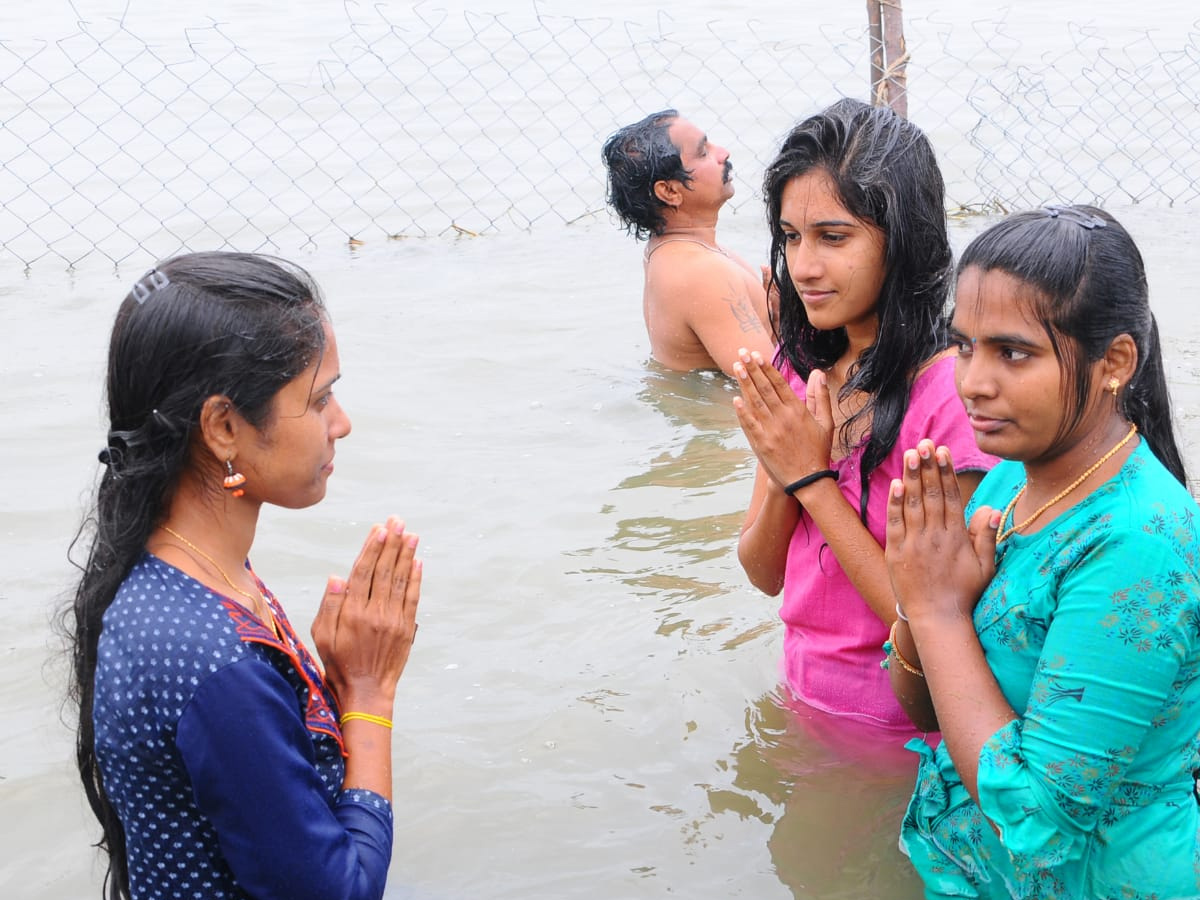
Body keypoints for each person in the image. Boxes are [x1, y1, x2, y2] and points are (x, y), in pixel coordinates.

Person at [65, 252, 422, 900]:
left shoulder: (165, 570)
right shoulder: (218, 663)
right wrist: (369, 698)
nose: (341, 423)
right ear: (224, 426)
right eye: (318, 400)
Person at [884, 205, 1200, 898]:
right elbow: (927, 711)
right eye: (963, 345)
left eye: (1013, 352)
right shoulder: (1007, 482)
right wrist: (919, 595)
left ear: (1114, 362)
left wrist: (938, 612)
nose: (972, 381)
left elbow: (1042, 828)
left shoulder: (1139, 543)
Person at [732, 98, 996, 743]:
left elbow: (925, 618)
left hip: (897, 727)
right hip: (801, 692)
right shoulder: (801, 367)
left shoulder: (951, 398)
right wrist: (787, 473)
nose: (804, 267)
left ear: (902, 238)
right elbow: (763, 573)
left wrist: (813, 480)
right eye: (791, 238)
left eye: (834, 237)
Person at [601, 109, 773, 376]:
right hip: (725, 416)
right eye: (703, 152)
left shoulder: (672, 252)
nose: (723, 153)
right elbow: (774, 386)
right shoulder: (702, 273)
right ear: (669, 191)